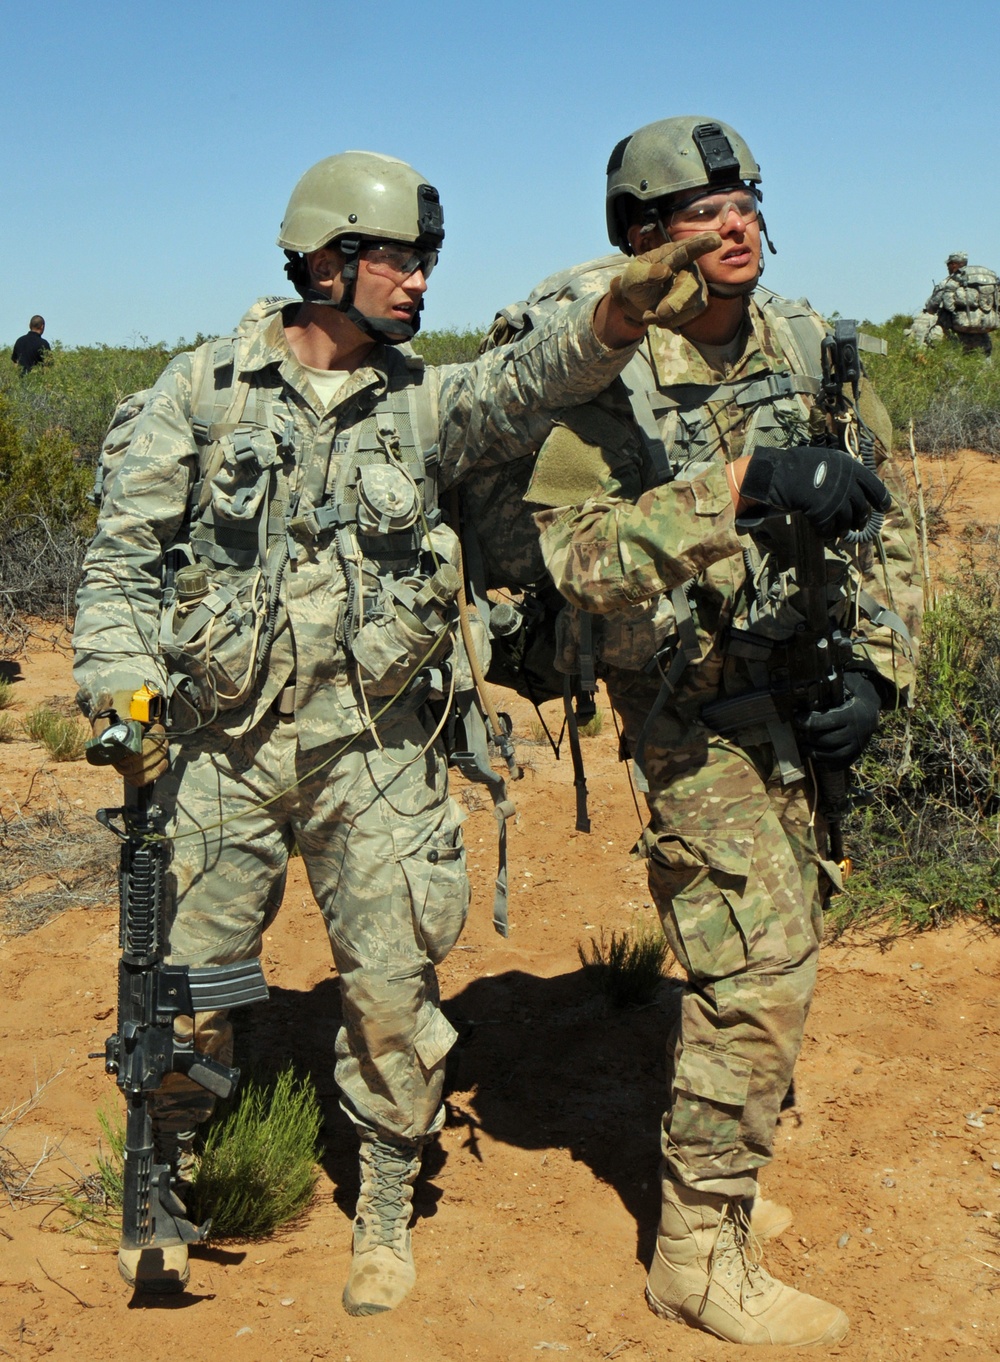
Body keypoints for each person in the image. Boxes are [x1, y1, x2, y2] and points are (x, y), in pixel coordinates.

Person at [72, 150, 705, 1309]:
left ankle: (381, 1194)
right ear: (326, 260)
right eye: (399, 260)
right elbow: (122, 558)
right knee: (189, 985)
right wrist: (118, 687)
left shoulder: (423, 403)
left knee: (392, 989)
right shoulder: (202, 390)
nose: (419, 282)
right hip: (221, 749)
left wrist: (616, 310)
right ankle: (172, 1171)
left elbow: (526, 383)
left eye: (427, 261)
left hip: (382, 749)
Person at [505, 117, 921, 1346]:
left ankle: (722, 1182)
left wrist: (883, 676)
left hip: (800, 691)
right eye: (700, 211)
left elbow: (888, 516)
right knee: (758, 966)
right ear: (643, 241)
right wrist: (735, 493)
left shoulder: (801, 343)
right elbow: (576, 559)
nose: (734, 223)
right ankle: (696, 1255)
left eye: (743, 200)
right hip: (685, 703)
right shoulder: (604, 382)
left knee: (782, 941)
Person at [908, 251, 1000, 354]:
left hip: (954, 335)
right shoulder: (983, 284)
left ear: (954, 264)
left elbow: (931, 306)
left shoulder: (950, 282)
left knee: (930, 345)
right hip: (981, 336)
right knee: (984, 366)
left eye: (949, 264)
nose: (948, 267)